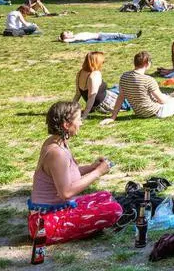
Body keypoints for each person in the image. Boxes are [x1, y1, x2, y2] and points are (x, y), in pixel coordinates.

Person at [29, 102, 122, 244]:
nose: (81, 123)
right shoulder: (56, 153)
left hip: (56, 210)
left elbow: (65, 175)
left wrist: (92, 167)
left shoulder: (57, 142)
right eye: (78, 119)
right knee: (114, 210)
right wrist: (98, 172)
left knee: (105, 196)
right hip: (45, 225)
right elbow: (66, 193)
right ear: (66, 125)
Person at [72, 52, 126, 119]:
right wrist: (85, 115)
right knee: (126, 90)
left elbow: (77, 94)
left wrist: (70, 109)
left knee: (116, 87)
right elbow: (92, 96)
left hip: (96, 104)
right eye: (102, 62)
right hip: (106, 104)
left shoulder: (80, 73)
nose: (103, 63)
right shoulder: (95, 75)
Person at [59, 30, 140, 43]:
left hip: (100, 35)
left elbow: (64, 40)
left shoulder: (75, 36)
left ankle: (133, 36)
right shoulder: (75, 38)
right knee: (118, 35)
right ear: (67, 37)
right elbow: (66, 41)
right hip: (100, 36)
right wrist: (64, 39)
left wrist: (60, 39)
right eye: (67, 33)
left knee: (118, 36)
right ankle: (134, 36)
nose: (69, 32)